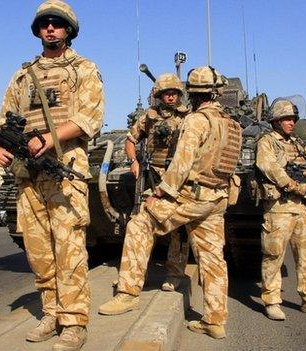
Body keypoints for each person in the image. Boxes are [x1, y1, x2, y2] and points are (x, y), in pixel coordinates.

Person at [0, 1, 104, 350]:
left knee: (69, 247)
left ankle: (73, 322)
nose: (50, 29)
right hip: (27, 175)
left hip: (64, 169)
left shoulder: (84, 69)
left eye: (57, 24)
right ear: (38, 31)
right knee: (38, 249)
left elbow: (90, 117)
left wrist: (51, 138)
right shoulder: (22, 76)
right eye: (45, 24)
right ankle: (51, 312)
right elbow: (3, 121)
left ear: (68, 30)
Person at [98, 66, 242, 339]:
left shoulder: (196, 121)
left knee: (140, 224)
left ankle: (128, 294)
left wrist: (160, 193)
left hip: (190, 194)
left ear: (192, 93)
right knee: (212, 258)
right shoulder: (230, 123)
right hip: (216, 197)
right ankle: (214, 320)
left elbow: (182, 163)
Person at [256, 98, 306, 321]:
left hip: (303, 209)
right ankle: (271, 301)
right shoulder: (267, 142)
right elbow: (269, 167)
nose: (291, 123)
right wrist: (295, 186)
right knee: (273, 256)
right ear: (276, 121)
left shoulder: (300, 145)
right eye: (287, 119)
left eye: (293, 119)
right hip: (279, 207)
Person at [125, 73, 189, 292]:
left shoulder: (188, 117)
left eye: (173, 93)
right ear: (159, 95)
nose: (170, 97)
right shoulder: (149, 117)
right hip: (152, 177)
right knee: (140, 225)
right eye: (166, 93)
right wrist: (133, 161)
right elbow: (131, 139)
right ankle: (135, 275)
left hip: (177, 179)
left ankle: (174, 274)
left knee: (178, 231)